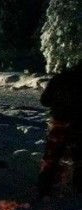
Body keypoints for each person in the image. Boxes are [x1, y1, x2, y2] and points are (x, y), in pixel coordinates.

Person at [37, 63, 82, 200]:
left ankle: (44, 188)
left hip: (60, 122)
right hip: (79, 124)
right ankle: (78, 189)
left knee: (52, 156)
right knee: (79, 157)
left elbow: (45, 100)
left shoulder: (60, 78)